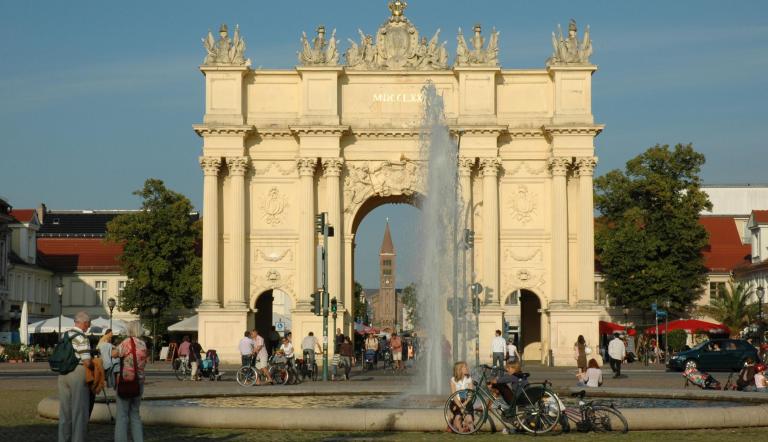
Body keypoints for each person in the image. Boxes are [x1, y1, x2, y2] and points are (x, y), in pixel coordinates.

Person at [58, 311, 93, 442]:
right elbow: (87, 361)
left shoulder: (65, 335)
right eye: (88, 324)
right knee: (79, 411)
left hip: (63, 374)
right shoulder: (82, 337)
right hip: (77, 373)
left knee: (65, 411)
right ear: (84, 323)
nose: (88, 327)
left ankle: (63, 439)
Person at [112, 321, 147, 442]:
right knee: (135, 414)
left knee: (122, 415)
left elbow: (114, 354)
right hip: (139, 381)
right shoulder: (143, 344)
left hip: (126, 381)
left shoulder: (127, 342)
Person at [449, 361, 475, 433]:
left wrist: (465, 404)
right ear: (459, 369)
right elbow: (454, 395)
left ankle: (472, 430)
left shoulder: (469, 379)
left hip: (466, 401)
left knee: (469, 417)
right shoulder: (453, 380)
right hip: (455, 402)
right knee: (459, 417)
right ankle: (460, 429)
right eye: (465, 367)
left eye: (466, 366)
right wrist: (460, 406)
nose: (467, 368)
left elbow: (471, 394)